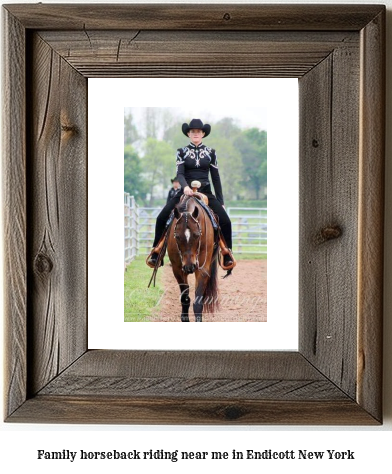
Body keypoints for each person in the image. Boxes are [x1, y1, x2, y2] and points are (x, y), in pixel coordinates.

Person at [148, 118, 233, 267]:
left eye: (198, 131)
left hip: (205, 191)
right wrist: (185, 187)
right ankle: (157, 252)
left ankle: (227, 253)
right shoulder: (181, 152)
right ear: (188, 133)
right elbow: (180, 173)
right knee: (161, 217)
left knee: (226, 221)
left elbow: (216, 178)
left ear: (203, 134)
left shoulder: (211, 153)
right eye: (193, 131)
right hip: (184, 191)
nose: (196, 134)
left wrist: (221, 201)